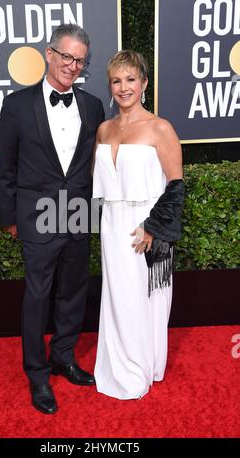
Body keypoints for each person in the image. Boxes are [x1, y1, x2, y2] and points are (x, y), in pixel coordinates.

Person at [0, 24, 105, 414]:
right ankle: (37, 373)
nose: (72, 66)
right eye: (66, 57)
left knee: (74, 291)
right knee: (38, 296)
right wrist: (10, 217)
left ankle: (63, 356)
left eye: (80, 60)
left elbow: (96, 166)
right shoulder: (17, 105)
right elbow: (5, 167)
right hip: (36, 213)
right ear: (49, 54)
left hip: (77, 210)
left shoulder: (93, 106)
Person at [92, 50, 184, 400]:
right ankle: (120, 364)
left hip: (146, 226)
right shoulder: (104, 129)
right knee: (117, 297)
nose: (123, 87)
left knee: (143, 299)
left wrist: (152, 227)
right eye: (117, 81)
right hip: (112, 224)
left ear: (144, 83)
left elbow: (176, 185)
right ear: (111, 86)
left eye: (131, 79)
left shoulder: (160, 128)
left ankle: (142, 365)